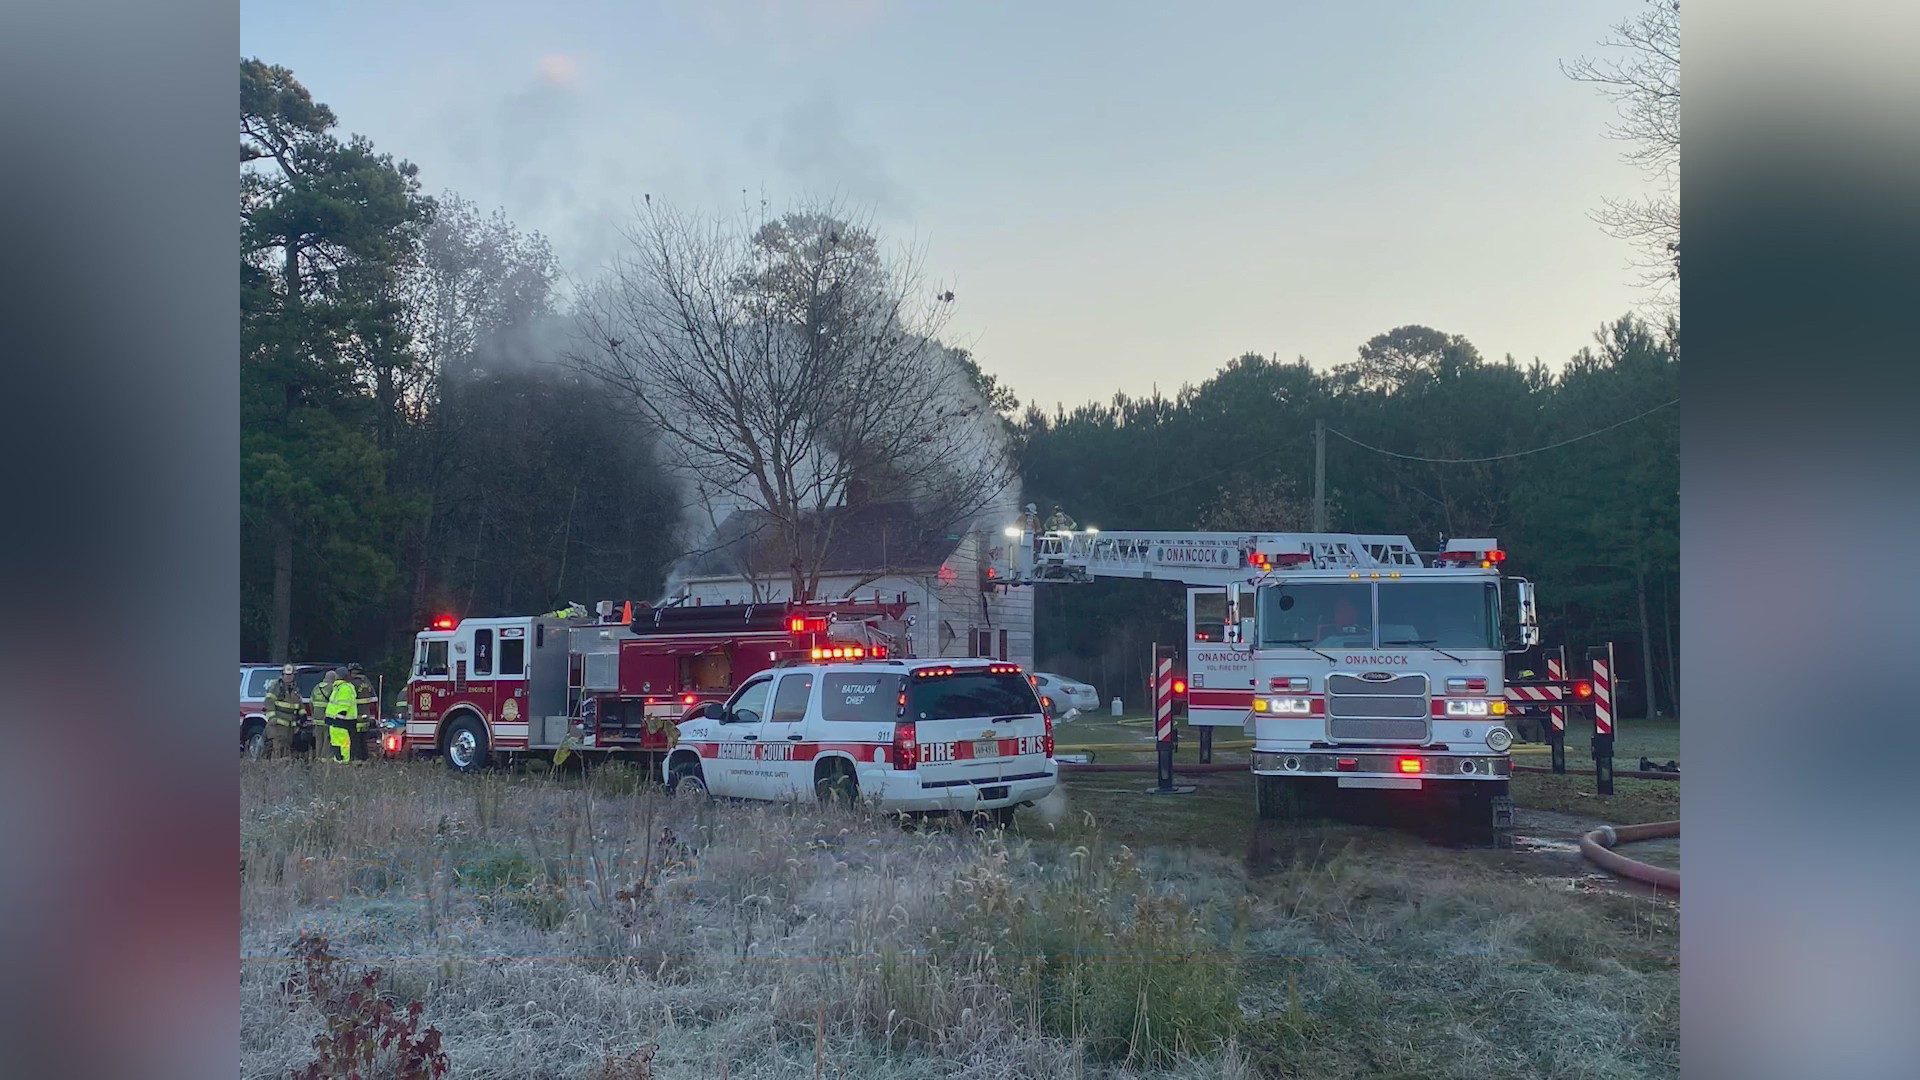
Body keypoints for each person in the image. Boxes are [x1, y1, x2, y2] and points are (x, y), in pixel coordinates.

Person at [261, 664, 303, 759]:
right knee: (278, 750)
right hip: (277, 726)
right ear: (282, 675)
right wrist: (272, 718)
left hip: (289, 727)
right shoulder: (276, 686)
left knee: (286, 750)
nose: (288, 677)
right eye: (286, 675)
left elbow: (298, 703)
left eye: (291, 675)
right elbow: (269, 701)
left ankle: (283, 770)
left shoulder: (295, 688)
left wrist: (302, 714)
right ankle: (276, 769)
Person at [321, 669, 358, 763]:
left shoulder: (344, 688)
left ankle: (344, 762)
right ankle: (339, 761)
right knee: (336, 743)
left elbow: (344, 706)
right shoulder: (338, 687)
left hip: (341, 723)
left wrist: (338, 718)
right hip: (336, 722)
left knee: (343, 744)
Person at [347, 663, 377, 760]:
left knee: (355, 741)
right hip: (366, 718)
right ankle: (365, 759)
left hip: (356, 717)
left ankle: (357, 759)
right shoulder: (366, 682)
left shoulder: (352, 683)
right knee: (363, 740)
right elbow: (372, 698)